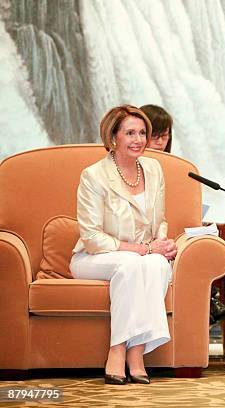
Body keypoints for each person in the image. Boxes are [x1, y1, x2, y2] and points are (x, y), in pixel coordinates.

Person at [70, 105, 178, 385]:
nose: (139, 139)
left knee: (157, 264)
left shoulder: (153, 169)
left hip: (144, 255)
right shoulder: (94, 175)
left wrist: (160, 244)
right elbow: (92, 237)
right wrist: (141, 249)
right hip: (94, 257)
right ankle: (117, 349)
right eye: (130, 133)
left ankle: (137, 352)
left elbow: (160, 220)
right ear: (113, 137)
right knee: (134, 262)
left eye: (143, 132)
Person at [140, 103, 225, 325]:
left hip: (176, 239)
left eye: (164, 136)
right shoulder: (127, 169)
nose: (160, 142)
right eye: (154, 136)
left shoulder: (178, 170)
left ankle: (207, 307)